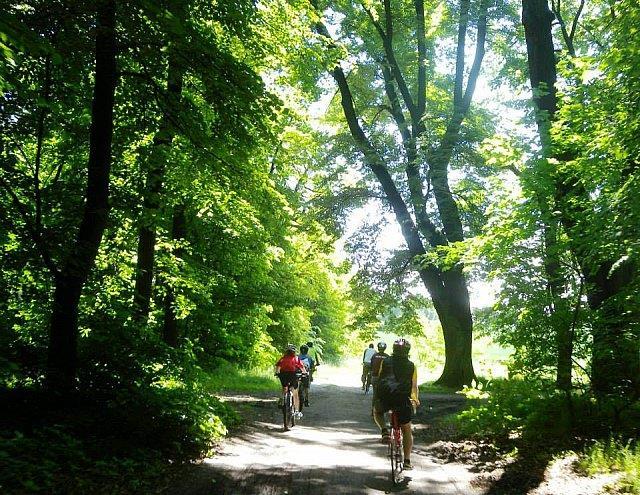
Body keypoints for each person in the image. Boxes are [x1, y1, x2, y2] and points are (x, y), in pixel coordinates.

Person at [373, 338, 420, 470]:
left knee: (377, 412)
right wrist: (415, 400)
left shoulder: (385, 361)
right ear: (407, 351)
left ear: (393, 350)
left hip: (385, 397)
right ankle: (407, 461)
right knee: (406, 430)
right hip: (402, 399)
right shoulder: (412, 366)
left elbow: (381, 378)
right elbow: (414, 386)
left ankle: (384, 432)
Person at [275, 344, 307, 419]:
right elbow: (302, 368)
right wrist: (304, 374)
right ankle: (296, 411)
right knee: (295, 393)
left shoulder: (283, 358)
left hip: (283, 375)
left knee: (284, 388)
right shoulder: (296, 359)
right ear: (294, 352)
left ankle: (282, 399)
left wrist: (277, 373)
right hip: (293, 375)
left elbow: (278, 367)